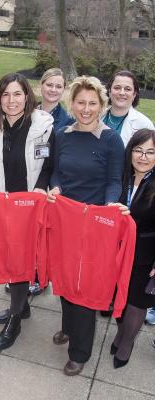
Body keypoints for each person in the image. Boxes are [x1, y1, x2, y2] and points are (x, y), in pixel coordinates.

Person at [48, 76, 125, 376]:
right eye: (81, 102)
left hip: (94, 223)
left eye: (93, 103)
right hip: (65, 219)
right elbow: (55, 173)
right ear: (71, 103)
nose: (86, 108)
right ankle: (68, 327)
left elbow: (114, 180)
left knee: (85, 286)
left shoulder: (110, 139)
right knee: (66, 277)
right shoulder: (62, 134)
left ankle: (80, 351)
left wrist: (108, 207)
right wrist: (54, 188)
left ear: (101, 105)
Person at [0, 72, 54, 350]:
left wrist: (41, 188)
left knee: (21, 261)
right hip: (2, 203)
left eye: (17, 94)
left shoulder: (43, 125)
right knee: (9, 257)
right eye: (6, 94)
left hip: (30, 204)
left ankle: (15, 317)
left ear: (27, 95)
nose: (12, 100)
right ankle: (21, 306)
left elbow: (48, 164)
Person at [110, 128, 155, 368]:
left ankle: (126, 342)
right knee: (119, 296)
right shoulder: (121, 176)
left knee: (137, 302)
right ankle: (120, 332)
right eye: (138, 150)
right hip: (117, 250)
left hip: (146, 254)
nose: (143, 157)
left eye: (151, 152)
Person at [104, 70, 154, 146]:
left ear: (134, 94)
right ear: (110, 92)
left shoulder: (144, 125)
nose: (122, 93)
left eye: (127, 89)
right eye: (117, 88)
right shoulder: (97, 116)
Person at [38, 68, 74, 133]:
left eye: (59, 87)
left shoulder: (68, 121)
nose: (53, 90)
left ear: (64, 89)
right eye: (49, 85)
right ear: (41, 85)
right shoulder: (26, 112)